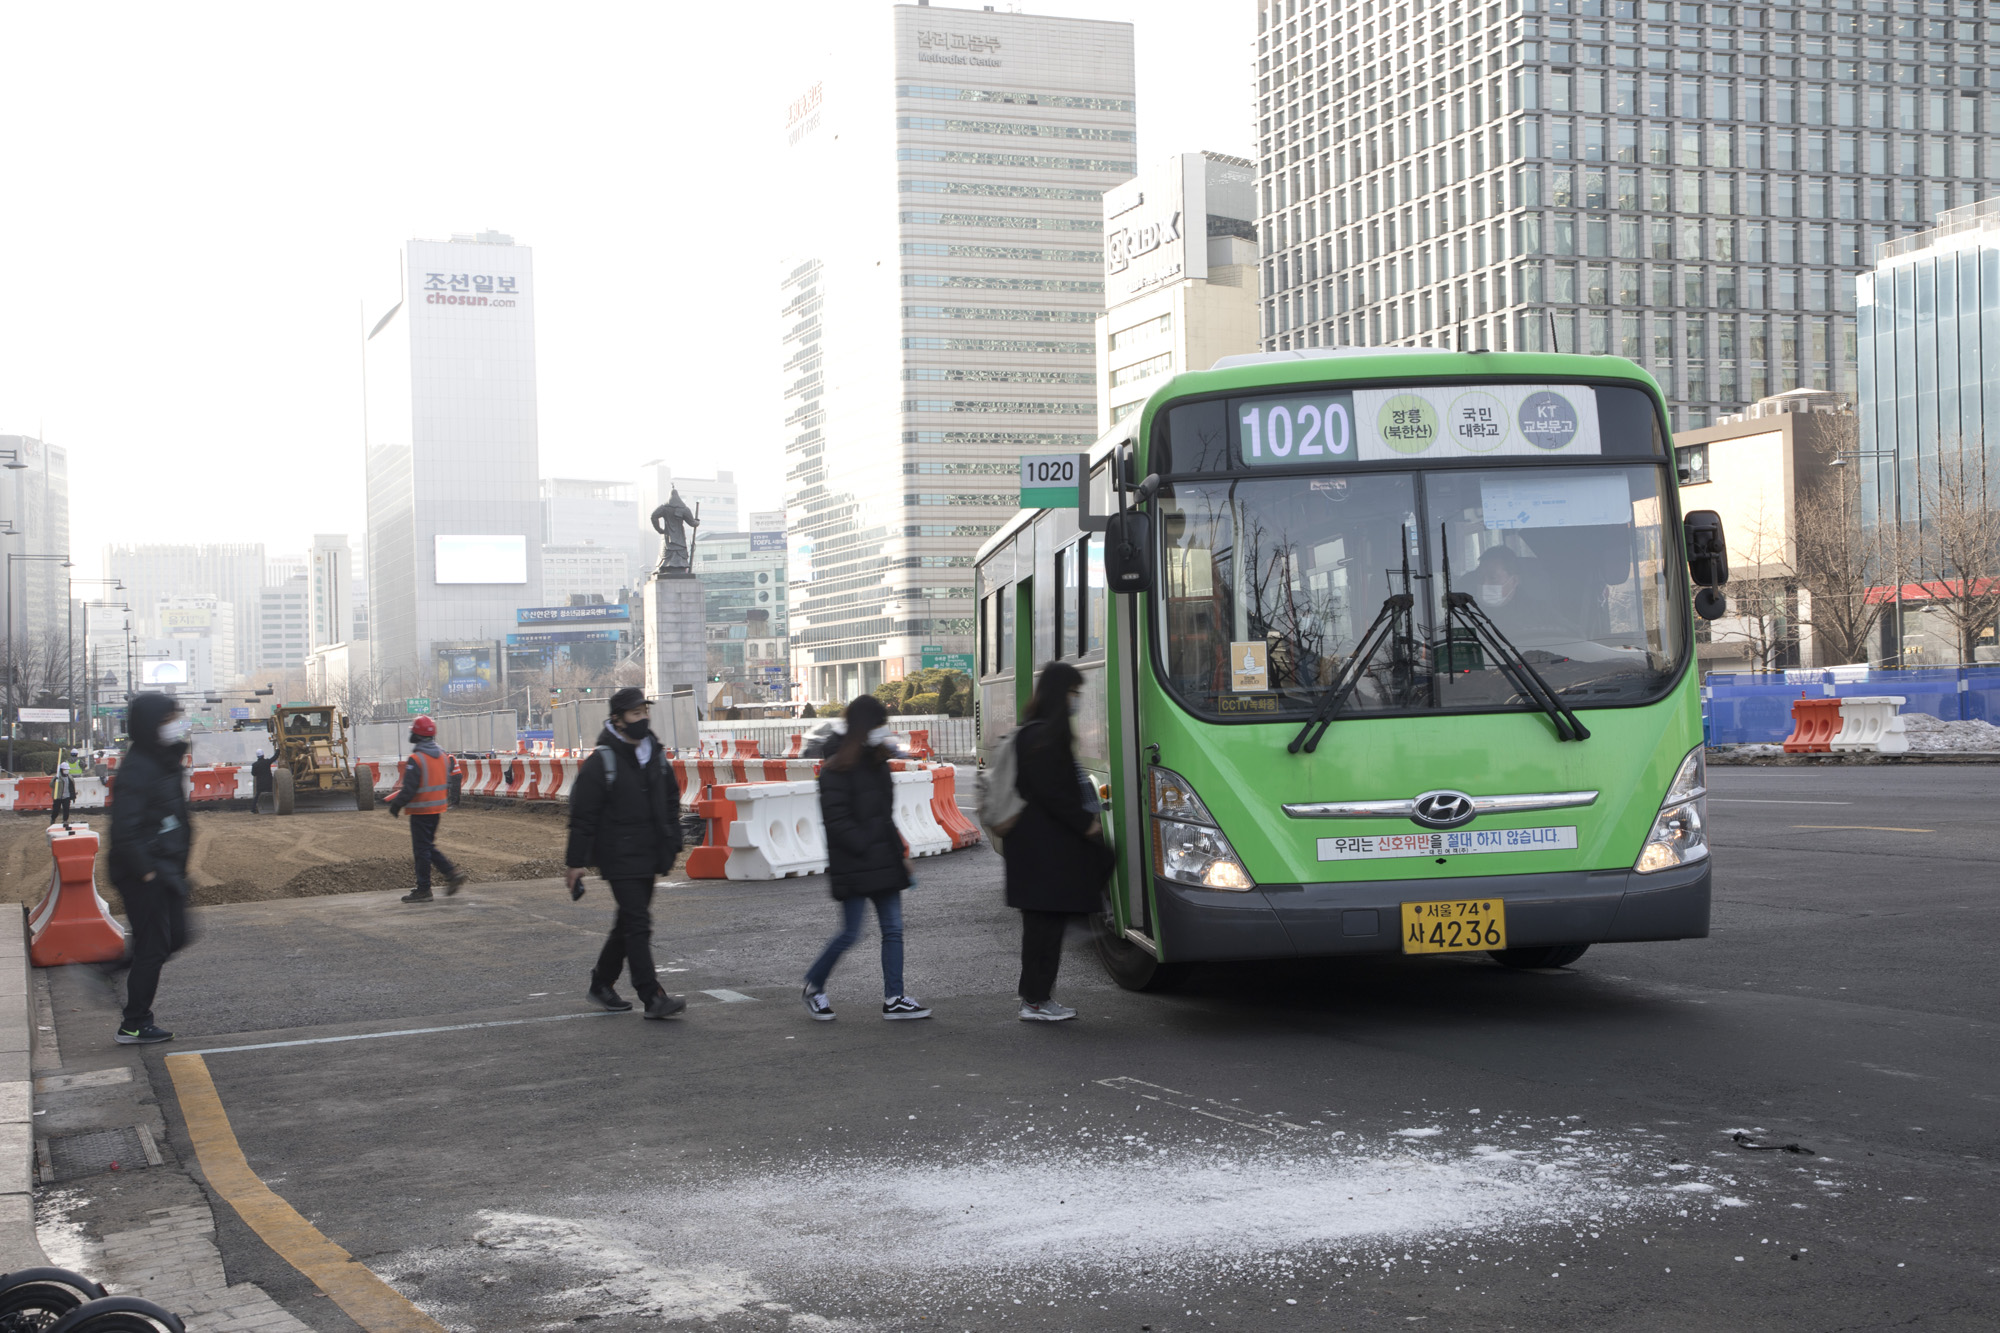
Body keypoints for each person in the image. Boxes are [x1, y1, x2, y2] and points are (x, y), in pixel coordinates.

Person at [801, 695, 930, 1022]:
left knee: (893, 930)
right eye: (878, 724)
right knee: (851, 933)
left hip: (884, 858)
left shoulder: (878, 763)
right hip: (855, 861)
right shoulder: (834, 770)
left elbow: (885, 816)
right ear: (863, 727)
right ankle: (814, 986)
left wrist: (899, 852)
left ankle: (895, 997)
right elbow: (837, 821)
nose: (883, 731)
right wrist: (867, 844)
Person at [564, 687, 688, 1020]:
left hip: (649, 852)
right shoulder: (601, 762)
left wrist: (673, 840)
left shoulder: (656, 755)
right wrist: (575, 863)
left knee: (628, 922)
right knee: (638, 923)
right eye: (635, 715)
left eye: (645, 713)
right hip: (618, 854)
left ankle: (601, 984)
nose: (642, 719)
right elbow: (583, 816)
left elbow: (670, 800)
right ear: (617, 720)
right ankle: (652, 996)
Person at [1004, 661, 1112, 1022]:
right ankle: (1035, 1001)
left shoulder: (1033, 732)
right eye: (1072, 693)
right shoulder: (1044, 737)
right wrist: (1085, 824)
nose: (1075, 700)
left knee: (1042, 928)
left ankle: (1036, 997)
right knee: (1043, 930)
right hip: (1042, 849)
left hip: (1035, 848)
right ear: (1059, 694)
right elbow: (1052, 792)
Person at [106, 693, 196, 1045]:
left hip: (166, 869)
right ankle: (134, 1023)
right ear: (151, 725)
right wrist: (147, 872)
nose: (176, 723)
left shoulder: (161, 760)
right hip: (146, 873)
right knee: (155, 946)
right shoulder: (138, 767)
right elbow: (124, 829)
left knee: (176, 936)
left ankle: (112, 969)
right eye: (168, 719)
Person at [385, 715, 468, 904]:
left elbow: (410, 788)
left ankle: (424, 889)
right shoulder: (442, 755)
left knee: (422, 851)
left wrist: (396, 805)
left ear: (418, 735)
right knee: (427, 847)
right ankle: (451, 873)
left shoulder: (416, 759)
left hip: (421, 811)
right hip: (437, 809)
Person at [51, 749, 81, 829]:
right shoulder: (57, 777)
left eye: (67, 770)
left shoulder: (70, 777)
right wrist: (54, 780)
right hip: (58, 796)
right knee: (56, 810)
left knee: (66, 809)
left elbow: (72, 787)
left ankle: (65, 820)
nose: (66, 771)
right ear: (61, 770)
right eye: (65, 770)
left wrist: (73, 795)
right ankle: (53, 818)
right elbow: (51, 785)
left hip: (66, 796)